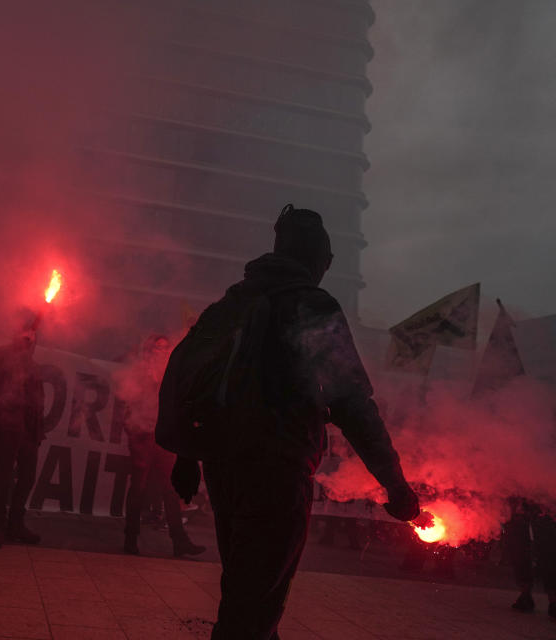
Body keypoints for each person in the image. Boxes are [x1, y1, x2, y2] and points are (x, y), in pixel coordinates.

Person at [170, 204, 420, 639]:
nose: (327, 266)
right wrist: (395, 484)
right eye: (326, 258)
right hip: (277, 473)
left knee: (248, 589)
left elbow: (192, 380)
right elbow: (352, 402)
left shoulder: (234, 302)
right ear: (316, 256)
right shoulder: (311, 307)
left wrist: (187, 456)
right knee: (251, 608)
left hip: (224, 470)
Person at [117, 334, 206, 557]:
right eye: (158, 348)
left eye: (166, 348)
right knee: (138, 488)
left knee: (171, 489)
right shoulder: (140, 374)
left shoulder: (171, 375)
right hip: (143, 437)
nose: (163, 352)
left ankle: (179, 541)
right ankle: (130, 539)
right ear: (149, 351)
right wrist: (134, 431)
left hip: (163, 438)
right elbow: (127, 403)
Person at [0, 321, 45, 548]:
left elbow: (37, 399)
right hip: (8, 426)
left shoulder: (33, 365)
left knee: (27, 477)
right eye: (26, 332)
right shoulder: (2, 356)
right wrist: (21, 346)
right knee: (3, 478)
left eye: (33, 334)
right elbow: (0, 370)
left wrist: (39, 429)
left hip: (29, 430)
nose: (31, 337)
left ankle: (16, 525)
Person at [505, 498, 556, 619]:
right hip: (530, 511)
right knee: (522, 552)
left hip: (543, 512)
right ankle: (527, 595)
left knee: (547, 555)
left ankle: (551, 600)